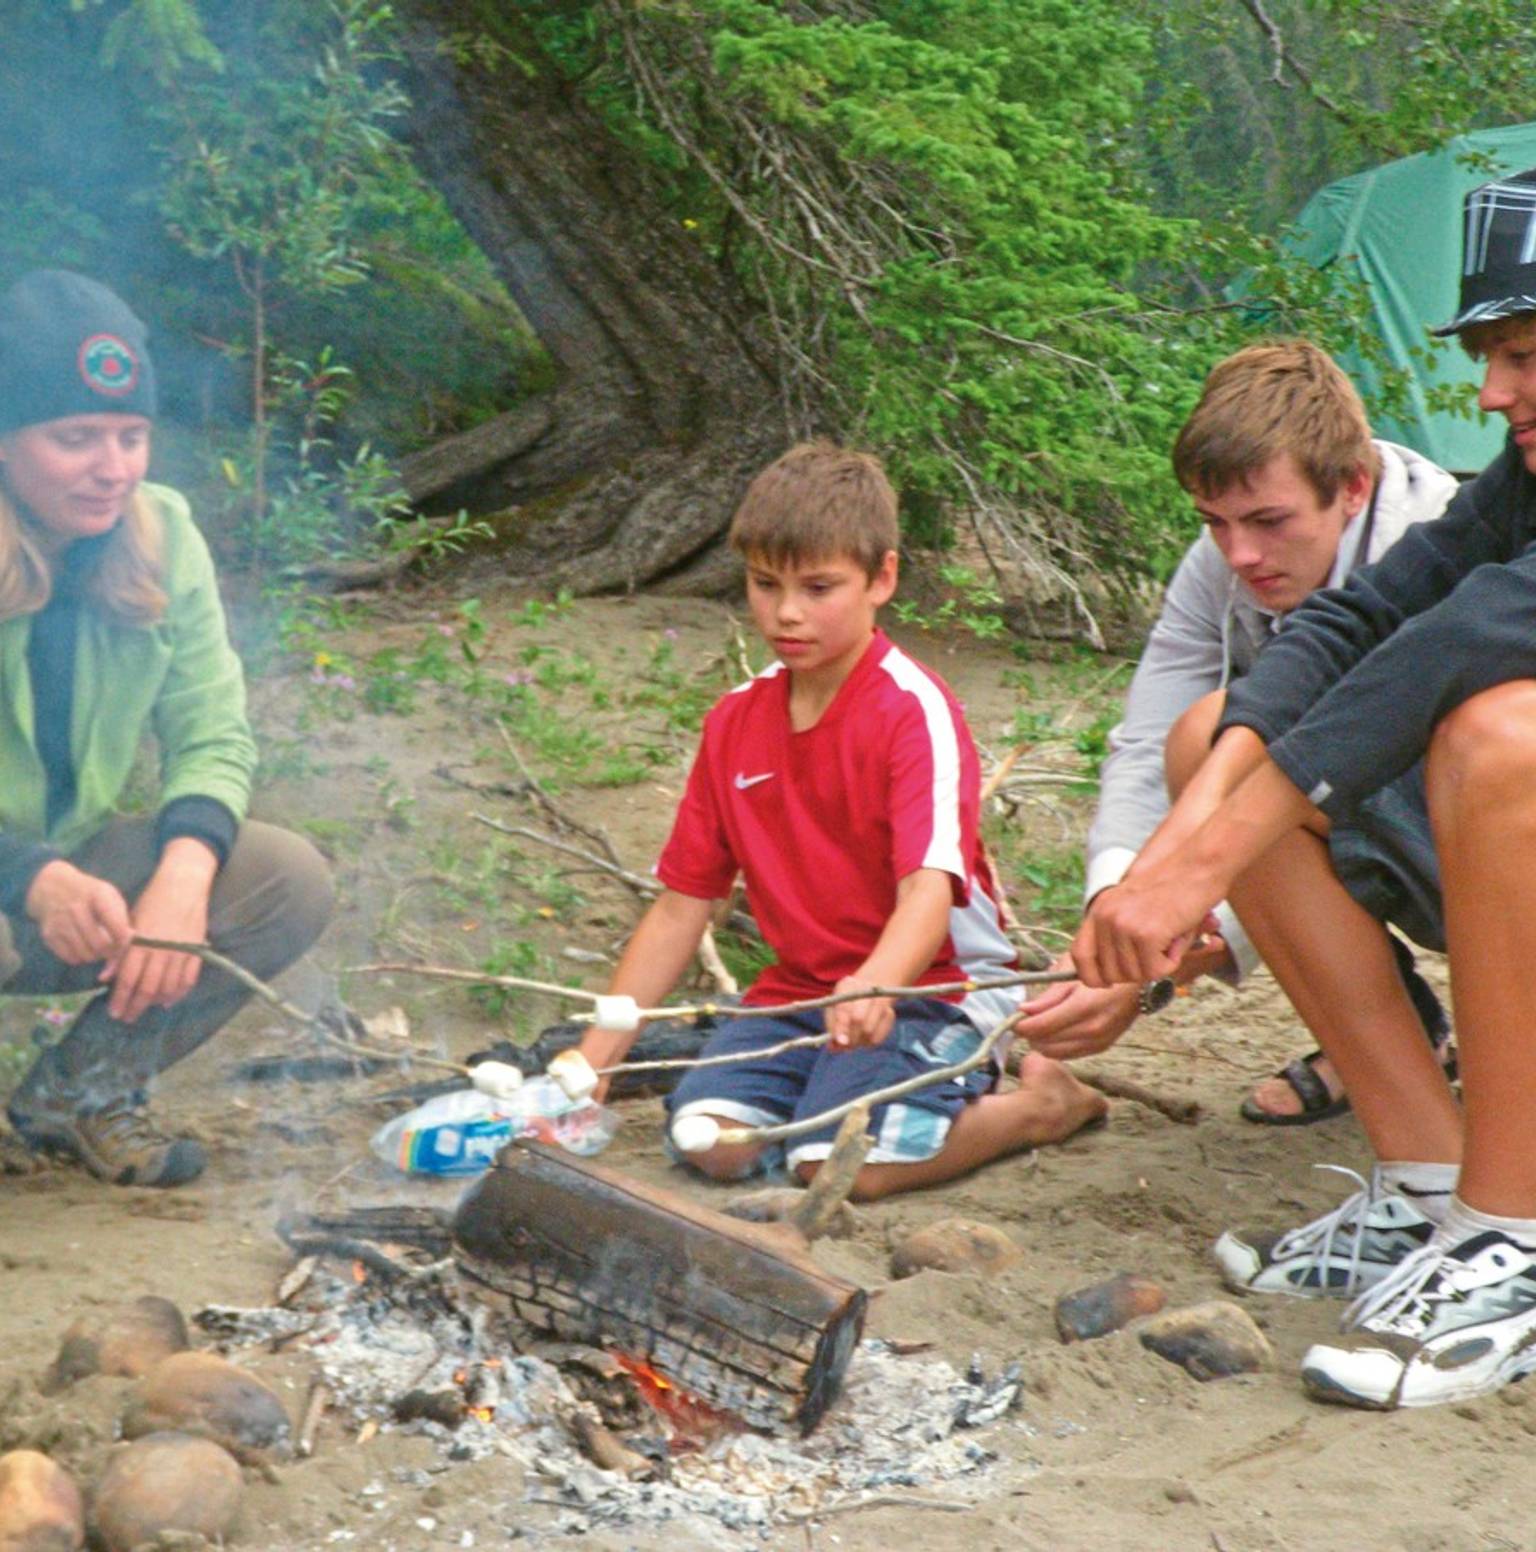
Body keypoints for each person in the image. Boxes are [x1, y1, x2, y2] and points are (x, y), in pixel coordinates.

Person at [1072, 166, 1536, 1409]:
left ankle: (1516, 1231)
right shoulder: (1523, 476)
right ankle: (1434, 1188)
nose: (1492, 393)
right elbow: (1362, 619)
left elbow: (1449, 647)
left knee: (1501, 734)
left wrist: (1197, 873)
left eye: (1525, 356)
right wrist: (1162, 867)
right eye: (1494, 358)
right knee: (1212, 732)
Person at [576, 442, 1104, 1200]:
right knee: (709, 1142)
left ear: (881, 578)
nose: (786, 612)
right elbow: (683, 903)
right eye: (765, 584)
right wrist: (597, 1055)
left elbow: (927, 889)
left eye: (819, 587)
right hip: (800, 995)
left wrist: (877, 985)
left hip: (935, 990)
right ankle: (832, 1095)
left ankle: (1040, 1108)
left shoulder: (912, 710)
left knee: (837, 1165)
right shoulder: (734, 721)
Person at [1020, 342, 1460, 1125]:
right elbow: (1148, 737)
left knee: (1251, 752)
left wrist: (1172, 946)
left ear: (1353, 486)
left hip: (1477, 842)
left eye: (1267, 521)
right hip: (1364, 823)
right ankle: (1403, 1075)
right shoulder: (1224, 559)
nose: (1241, 554)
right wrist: (1115, 908)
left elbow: (1356, 771)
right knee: (1207, 736)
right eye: (1215, 523)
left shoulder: (1442, 546)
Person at [0, 269, 332, 1189]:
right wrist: (31, 877)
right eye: (75, 438)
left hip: (66, 875)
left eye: (131, 435)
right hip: (23, 881)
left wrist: (183, 878)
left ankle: (80, 1093)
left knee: (282, 878)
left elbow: (213, 732)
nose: (113, 467)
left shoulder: (160, 535)